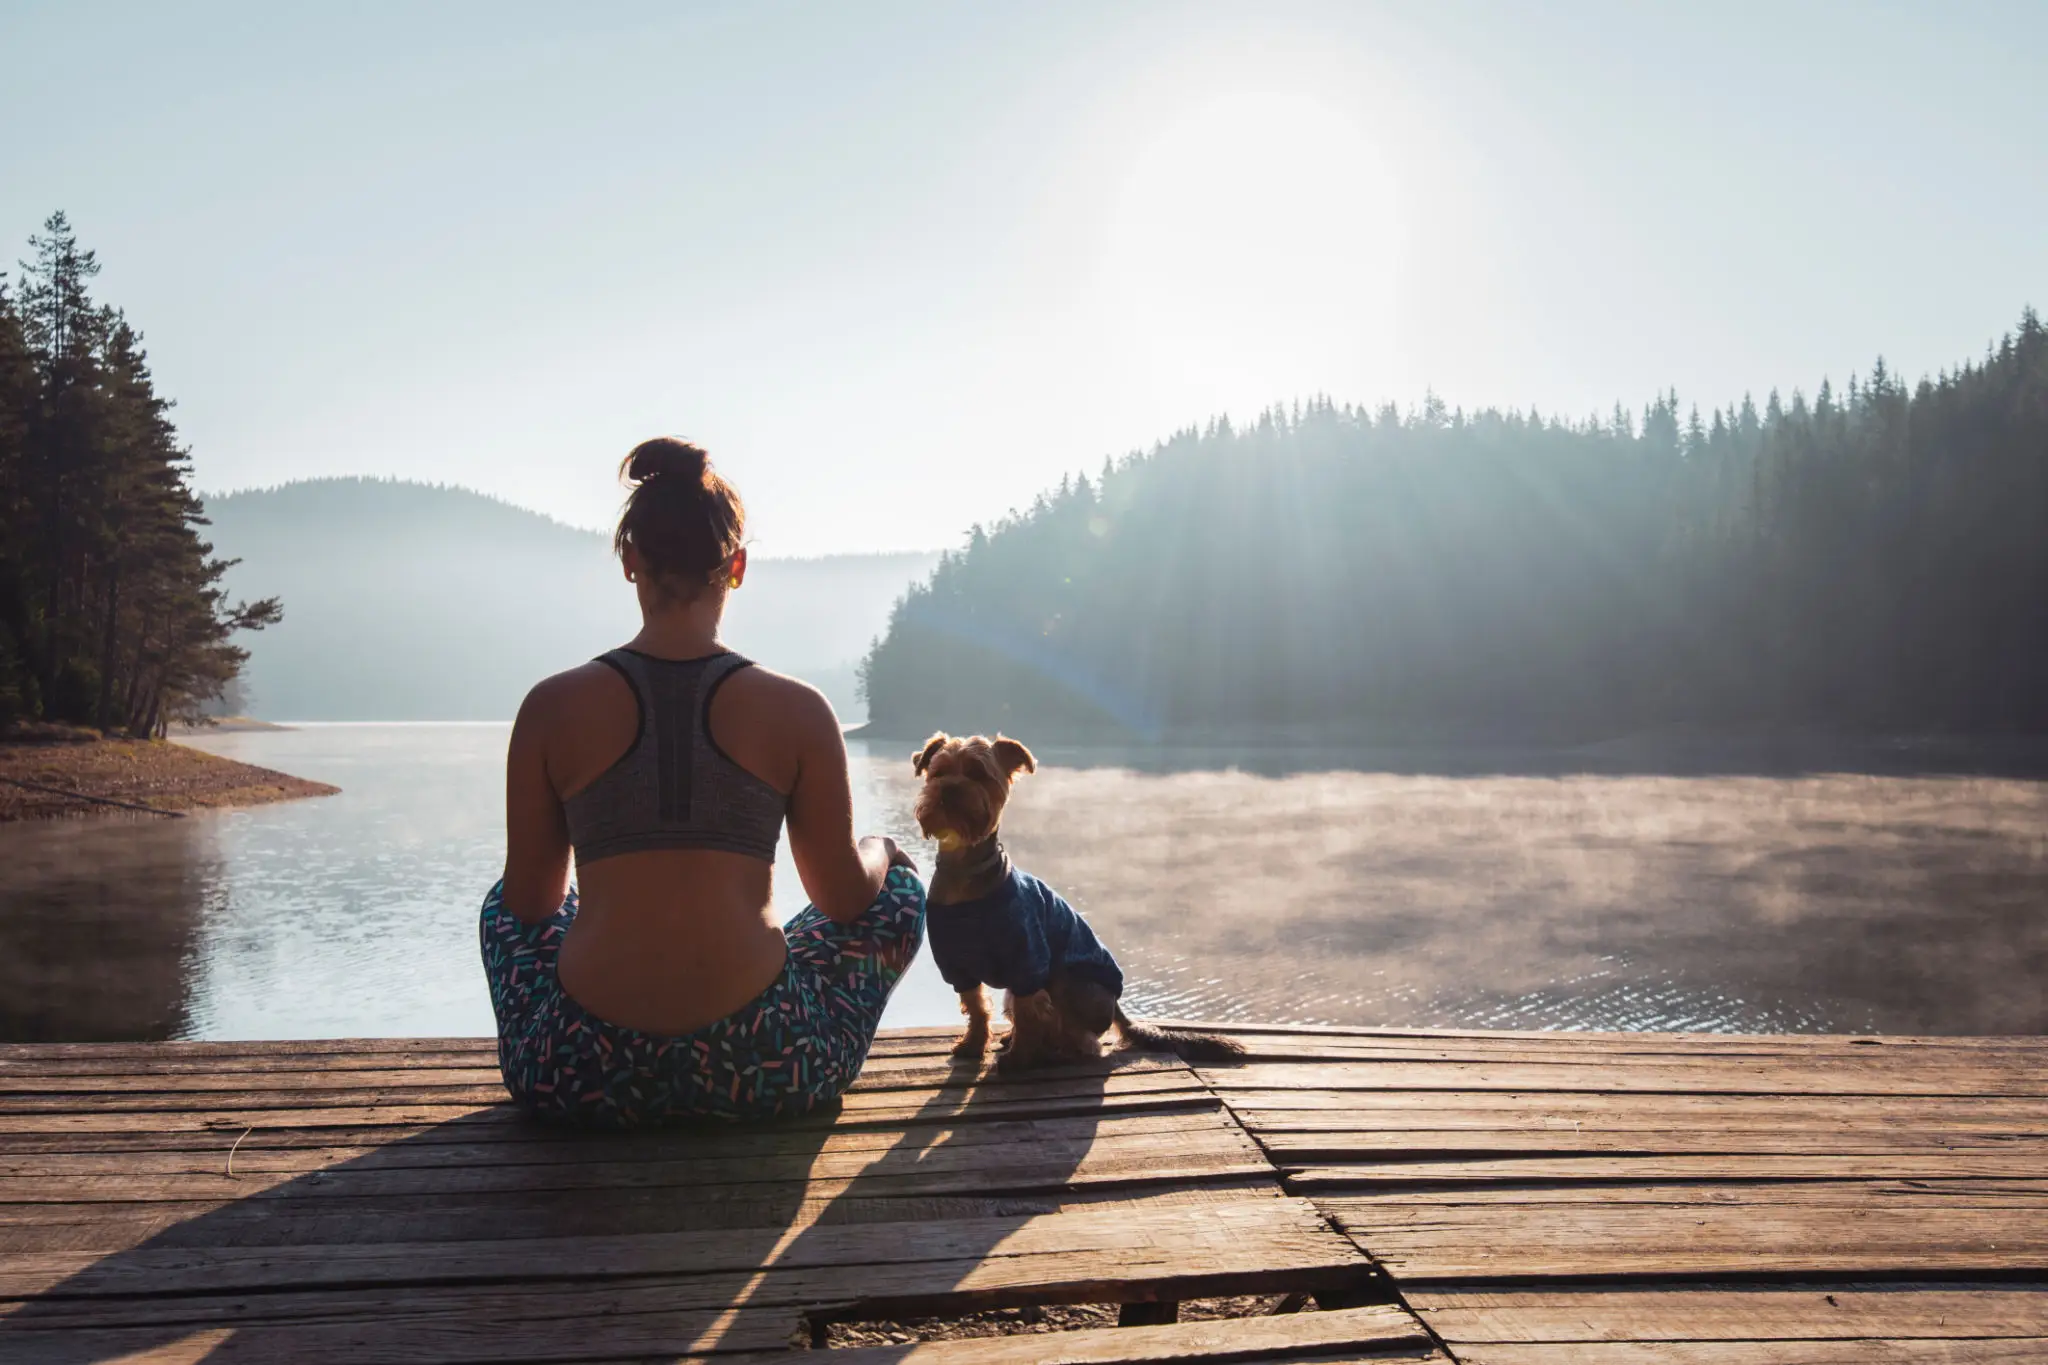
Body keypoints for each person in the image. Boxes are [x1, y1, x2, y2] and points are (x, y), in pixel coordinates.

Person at [480, 437, 924, 1126]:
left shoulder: (551, 706)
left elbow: (532, 904)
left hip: (577, 1071)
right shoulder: (799, 710)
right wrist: (881, 848)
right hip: (767, 1065)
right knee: (896, 889)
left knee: (499, 907)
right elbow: (840, 898)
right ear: (737, 565)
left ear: (631, 561)